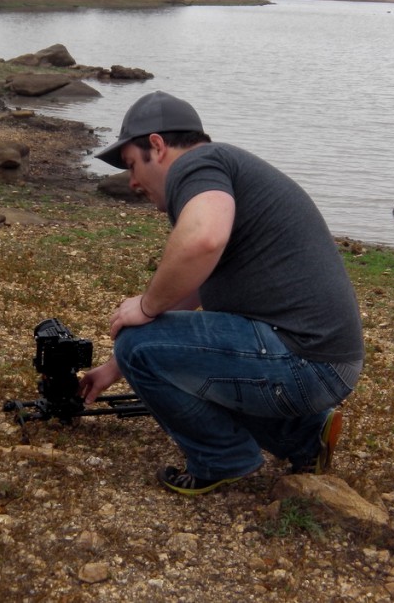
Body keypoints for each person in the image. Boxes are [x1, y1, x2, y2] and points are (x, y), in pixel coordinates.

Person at [78, 91, 364, 496]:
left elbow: (203, 240)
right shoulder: (225, 170)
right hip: (326, 363)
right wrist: (114, 368)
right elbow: (192, 286)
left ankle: (221, 459)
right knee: (144, 346)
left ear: (157, 147)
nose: (133, 183)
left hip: (302, 362)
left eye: (131, 166)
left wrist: (143, 308)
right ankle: (304, 438)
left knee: (139, 340)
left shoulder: (197, 164)